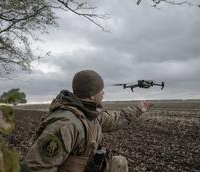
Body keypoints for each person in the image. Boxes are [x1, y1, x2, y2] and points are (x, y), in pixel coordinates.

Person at [22, 70, 153, 172]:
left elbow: (115, 119)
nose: (103, 93)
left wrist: (139, 109)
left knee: (118, 162)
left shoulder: (89, 115)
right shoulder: (66, 124)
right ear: (92, 95)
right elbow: (37, 167)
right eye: (101, 91)